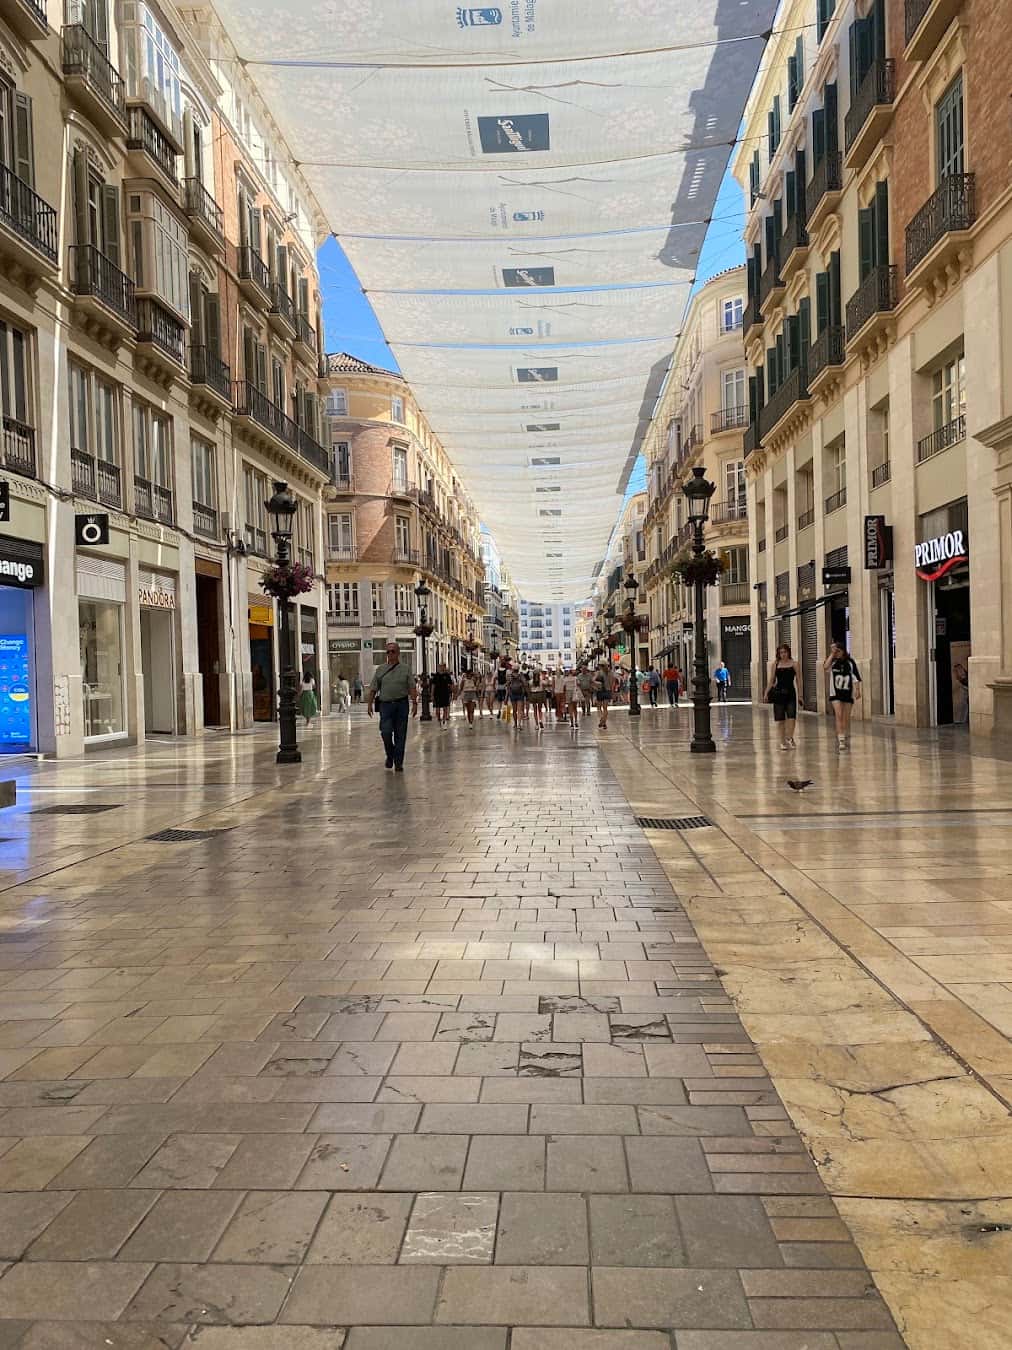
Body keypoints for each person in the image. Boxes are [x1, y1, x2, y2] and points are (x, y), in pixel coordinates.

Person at [367, 641, 418, 771]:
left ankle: (398, 762)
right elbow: (373, 688)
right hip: (385, 706)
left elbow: (412, 687)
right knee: (386, 732)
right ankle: (390, 755)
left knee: (400, 734)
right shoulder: (381, 669)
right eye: (388, 652)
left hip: (401, 705)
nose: (390, 654)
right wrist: (369, 704)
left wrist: (414, 703)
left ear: (398, 653)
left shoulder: (405, 669)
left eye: (393, 651)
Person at [825, 641, 862, 750]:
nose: (836, 653)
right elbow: (825, 667)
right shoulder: (832, 662)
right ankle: (841, 739)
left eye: (838, 651)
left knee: (846, 717)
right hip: (835, 693)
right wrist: (832, 654)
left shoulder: (850, 662)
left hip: (847, 692)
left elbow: (855, 677)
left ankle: (843, 734)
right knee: (839, 714)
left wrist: (857, 690)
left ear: (843, 651)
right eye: (834, 651)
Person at [766, 643, 802, 750]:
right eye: (781, 652)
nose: (783, 654)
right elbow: (771, 680)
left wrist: (800, 695)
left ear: (788, 652)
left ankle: (789, 737)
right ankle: (782, 741)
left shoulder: (794, 664)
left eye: (785, 652)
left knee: (792, 717)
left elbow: (799, 680)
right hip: (779, 693)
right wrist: (766, 692)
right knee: (780, 719)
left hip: (790, 693)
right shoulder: (776, 664)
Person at [592, 661, 615, 728]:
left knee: (599, 707)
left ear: (600, 666)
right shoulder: (611, 673)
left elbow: (592, 680)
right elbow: (612, 684)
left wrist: (597, 684)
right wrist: (612, 692)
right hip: (608, 691)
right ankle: (604, 721)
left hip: (600, 691)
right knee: (605, 708)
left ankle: (602, 719)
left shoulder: (598, 673)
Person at [431, 662, 454, 727]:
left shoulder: (447, 675)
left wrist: (452, 693)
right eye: (440, 667)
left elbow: (450, 685)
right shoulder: (436, 676)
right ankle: (439, 719)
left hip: (445, 694)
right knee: (437, 710)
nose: (442, 668)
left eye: (443, 666)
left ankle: (444, 721)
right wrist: (432, 695)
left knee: (445, 708)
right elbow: (433, 685)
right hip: (437, 694)